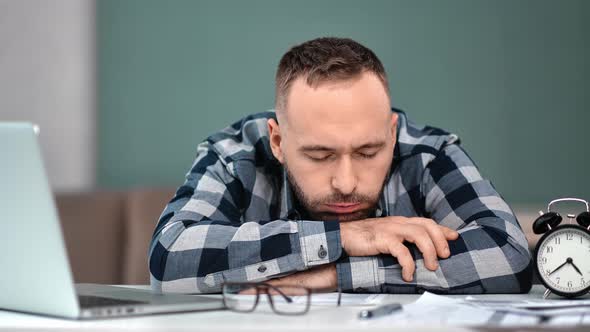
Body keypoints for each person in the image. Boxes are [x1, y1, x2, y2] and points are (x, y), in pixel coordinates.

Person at [148, 37, 532, 294]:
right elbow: (169, 258)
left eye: (368, 152)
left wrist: (334, 274)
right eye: (320, 155)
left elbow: (509, 254)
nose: (347, 183)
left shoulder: (427, 154)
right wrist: (345, 237)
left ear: (392, 132)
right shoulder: (236, 157)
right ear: (278, 140)